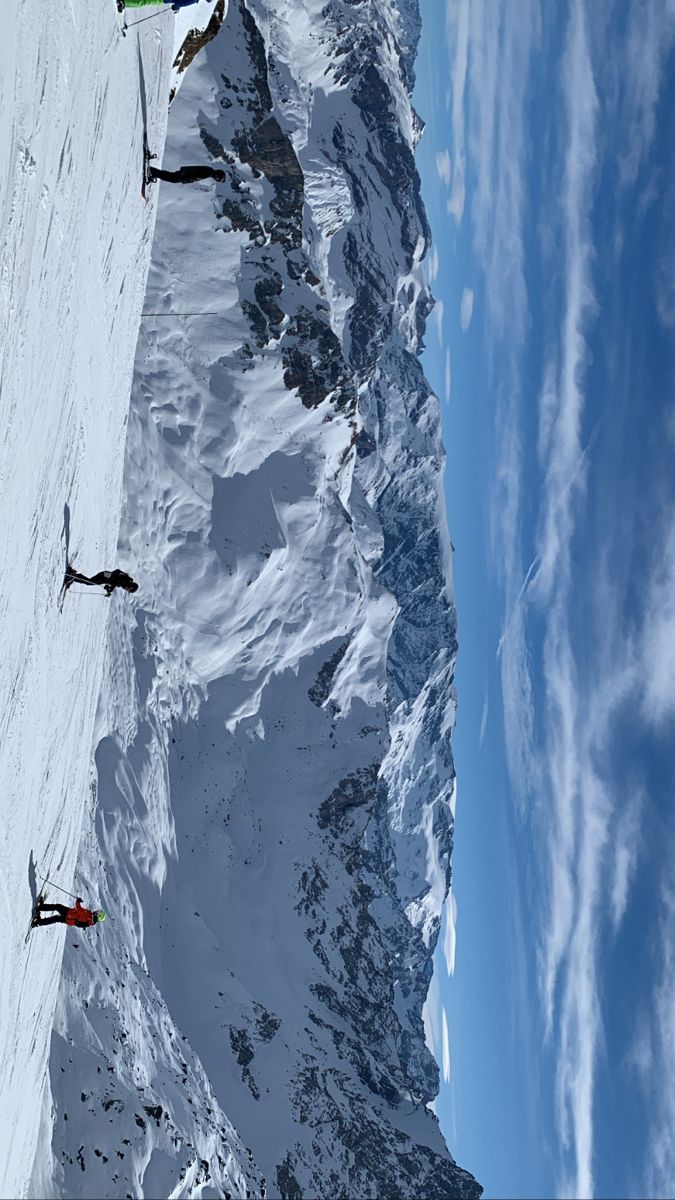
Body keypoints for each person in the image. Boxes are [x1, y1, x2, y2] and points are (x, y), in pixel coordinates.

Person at [32, 898, 105, 929]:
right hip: (70, 913)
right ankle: (41, 907)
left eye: (98, 913)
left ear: (98, 917)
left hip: (69, 918)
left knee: (54, 918)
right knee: (58, 907)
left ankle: (38, 922)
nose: (97, 911)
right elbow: (80, 911)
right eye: (98, 911)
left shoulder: (89, 918)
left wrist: (78, 902)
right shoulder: (90, 917)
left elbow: (79, 910)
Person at [65, 566, 139, 596]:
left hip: (105, 578)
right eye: (129, 590)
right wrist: (110, 588)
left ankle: (75, 577)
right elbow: (117, 575)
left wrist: (109, 589)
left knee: (90, 582)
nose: (127, 590)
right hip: (104, 576)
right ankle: (74, 576)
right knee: (90, 582)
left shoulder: (125, 582)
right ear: (131, 586)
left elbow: (115, 583)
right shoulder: (126, 580)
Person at [147, 164, 226, 185]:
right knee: (170, 177)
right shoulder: (208, 173)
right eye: (218, 178)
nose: (216, 179)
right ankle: (153, 172)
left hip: (185, 174)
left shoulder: (209, 170)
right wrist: (185, 176)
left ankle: (154, 172)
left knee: (170, 176)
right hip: (185, 175)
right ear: (217, 175)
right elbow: (195, 174)